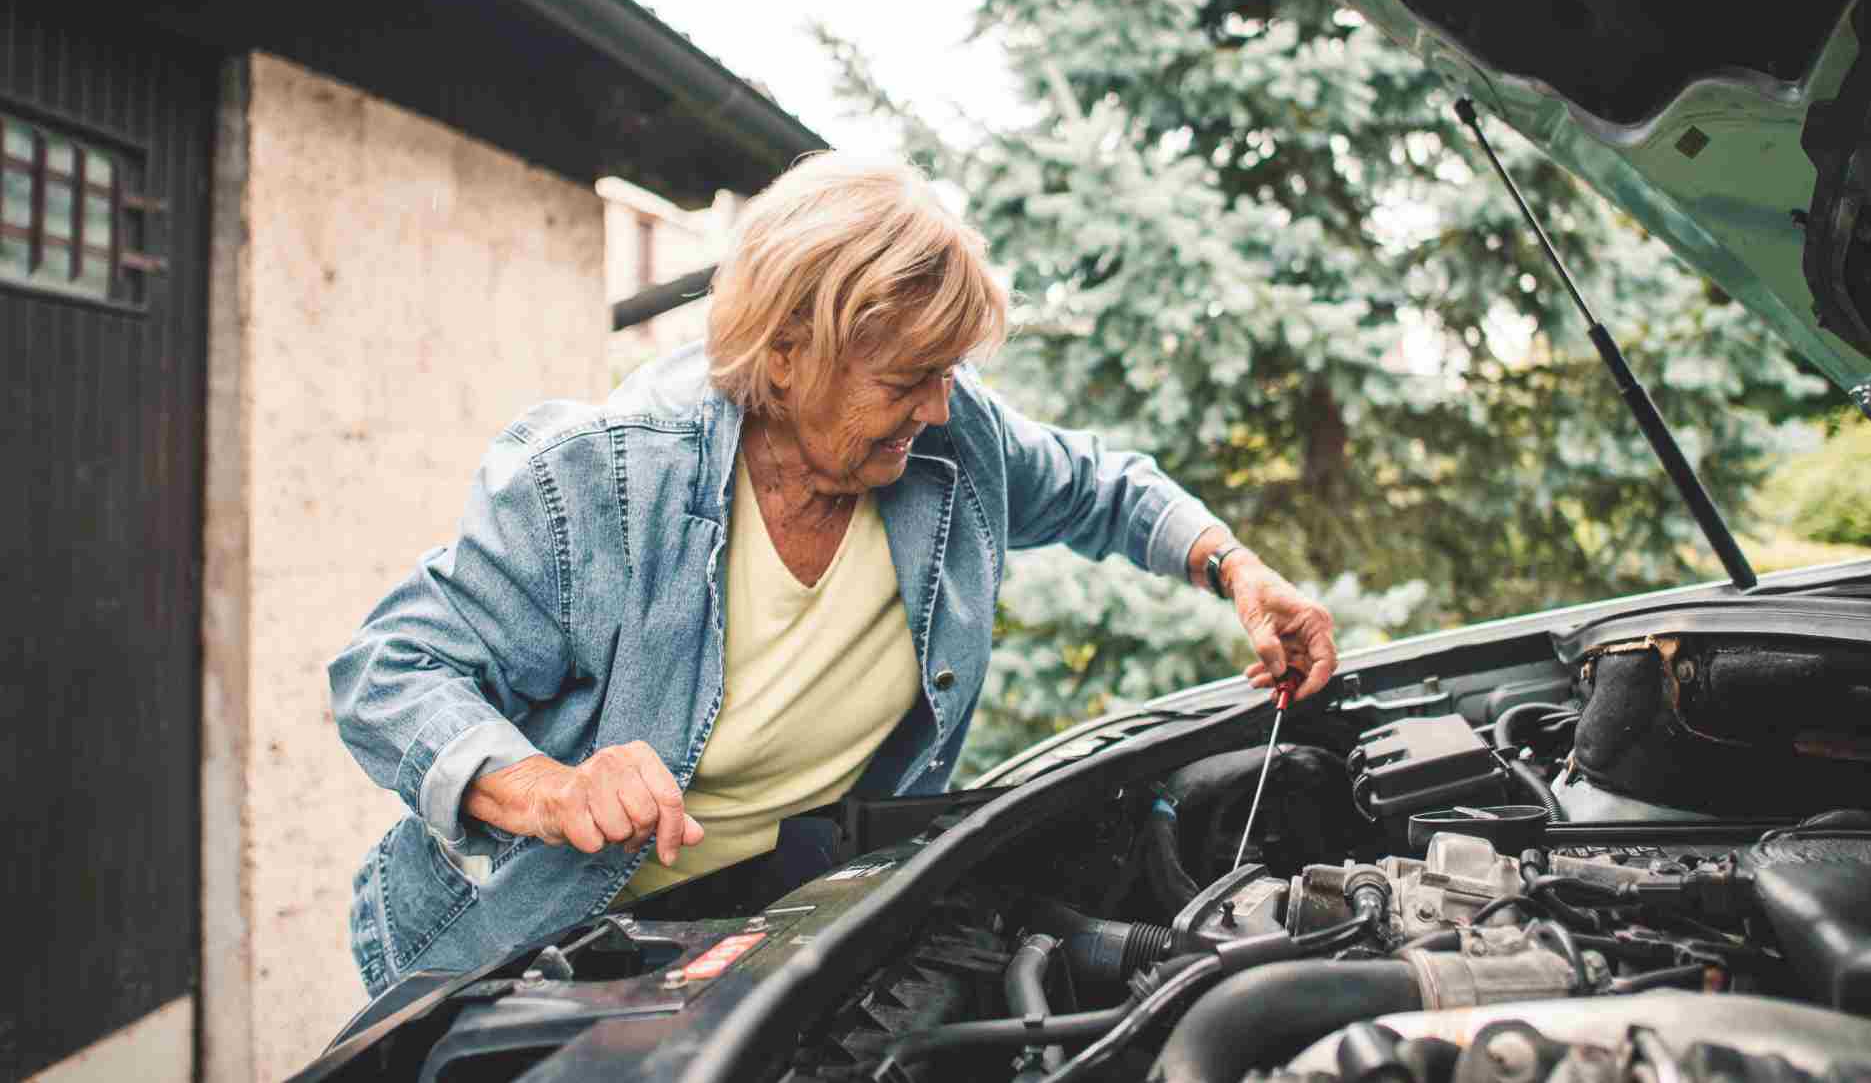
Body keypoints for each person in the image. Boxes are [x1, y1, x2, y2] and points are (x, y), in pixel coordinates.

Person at [329, 153, 1339, 996]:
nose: (939, 410)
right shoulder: (604, 478)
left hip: (757, 923)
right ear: (783, 355)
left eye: (947, 374)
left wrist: (1233, 567)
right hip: (529, 944)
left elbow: (1099, 487)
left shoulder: (952, 443)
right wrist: (545, 787)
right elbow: (389, 671)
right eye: (906, 380)